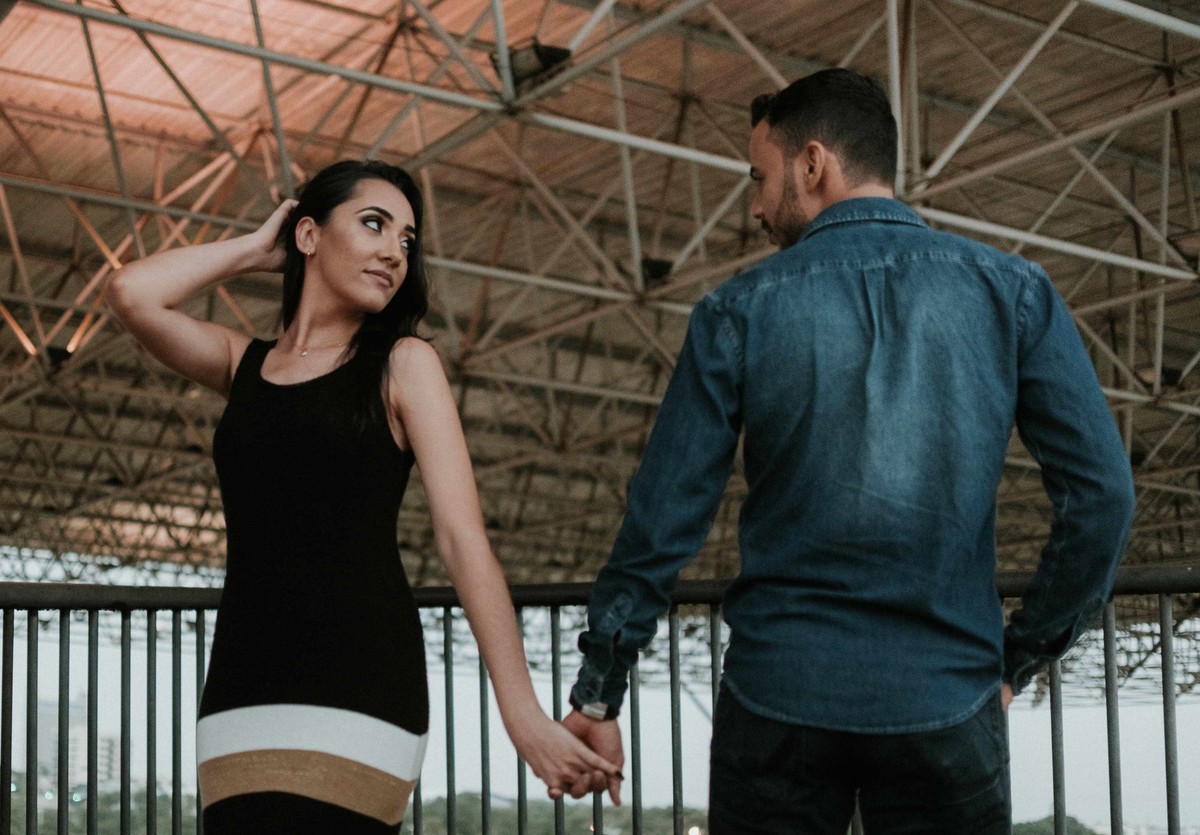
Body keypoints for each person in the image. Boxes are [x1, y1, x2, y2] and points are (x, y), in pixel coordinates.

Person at [560, 69, 1135, 833]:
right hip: (947, 699)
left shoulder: (736, 312)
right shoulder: (1011, 292)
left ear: (813, 164)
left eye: (760, 179)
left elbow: (662, 519)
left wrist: (600, 690)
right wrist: (1016, 656)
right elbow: (1103, 498)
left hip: (779, 699)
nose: (757, 206)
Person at [105, 159, 618, 834]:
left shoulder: (404, 364)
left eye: (407, 239)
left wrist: (521, 715)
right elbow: (131, 293)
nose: (393, 251)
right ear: (309, 235)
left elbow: (464, 538)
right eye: (374, 224)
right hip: (240, 686)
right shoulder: (244, 364)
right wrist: (256, 249)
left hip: (362, 681)